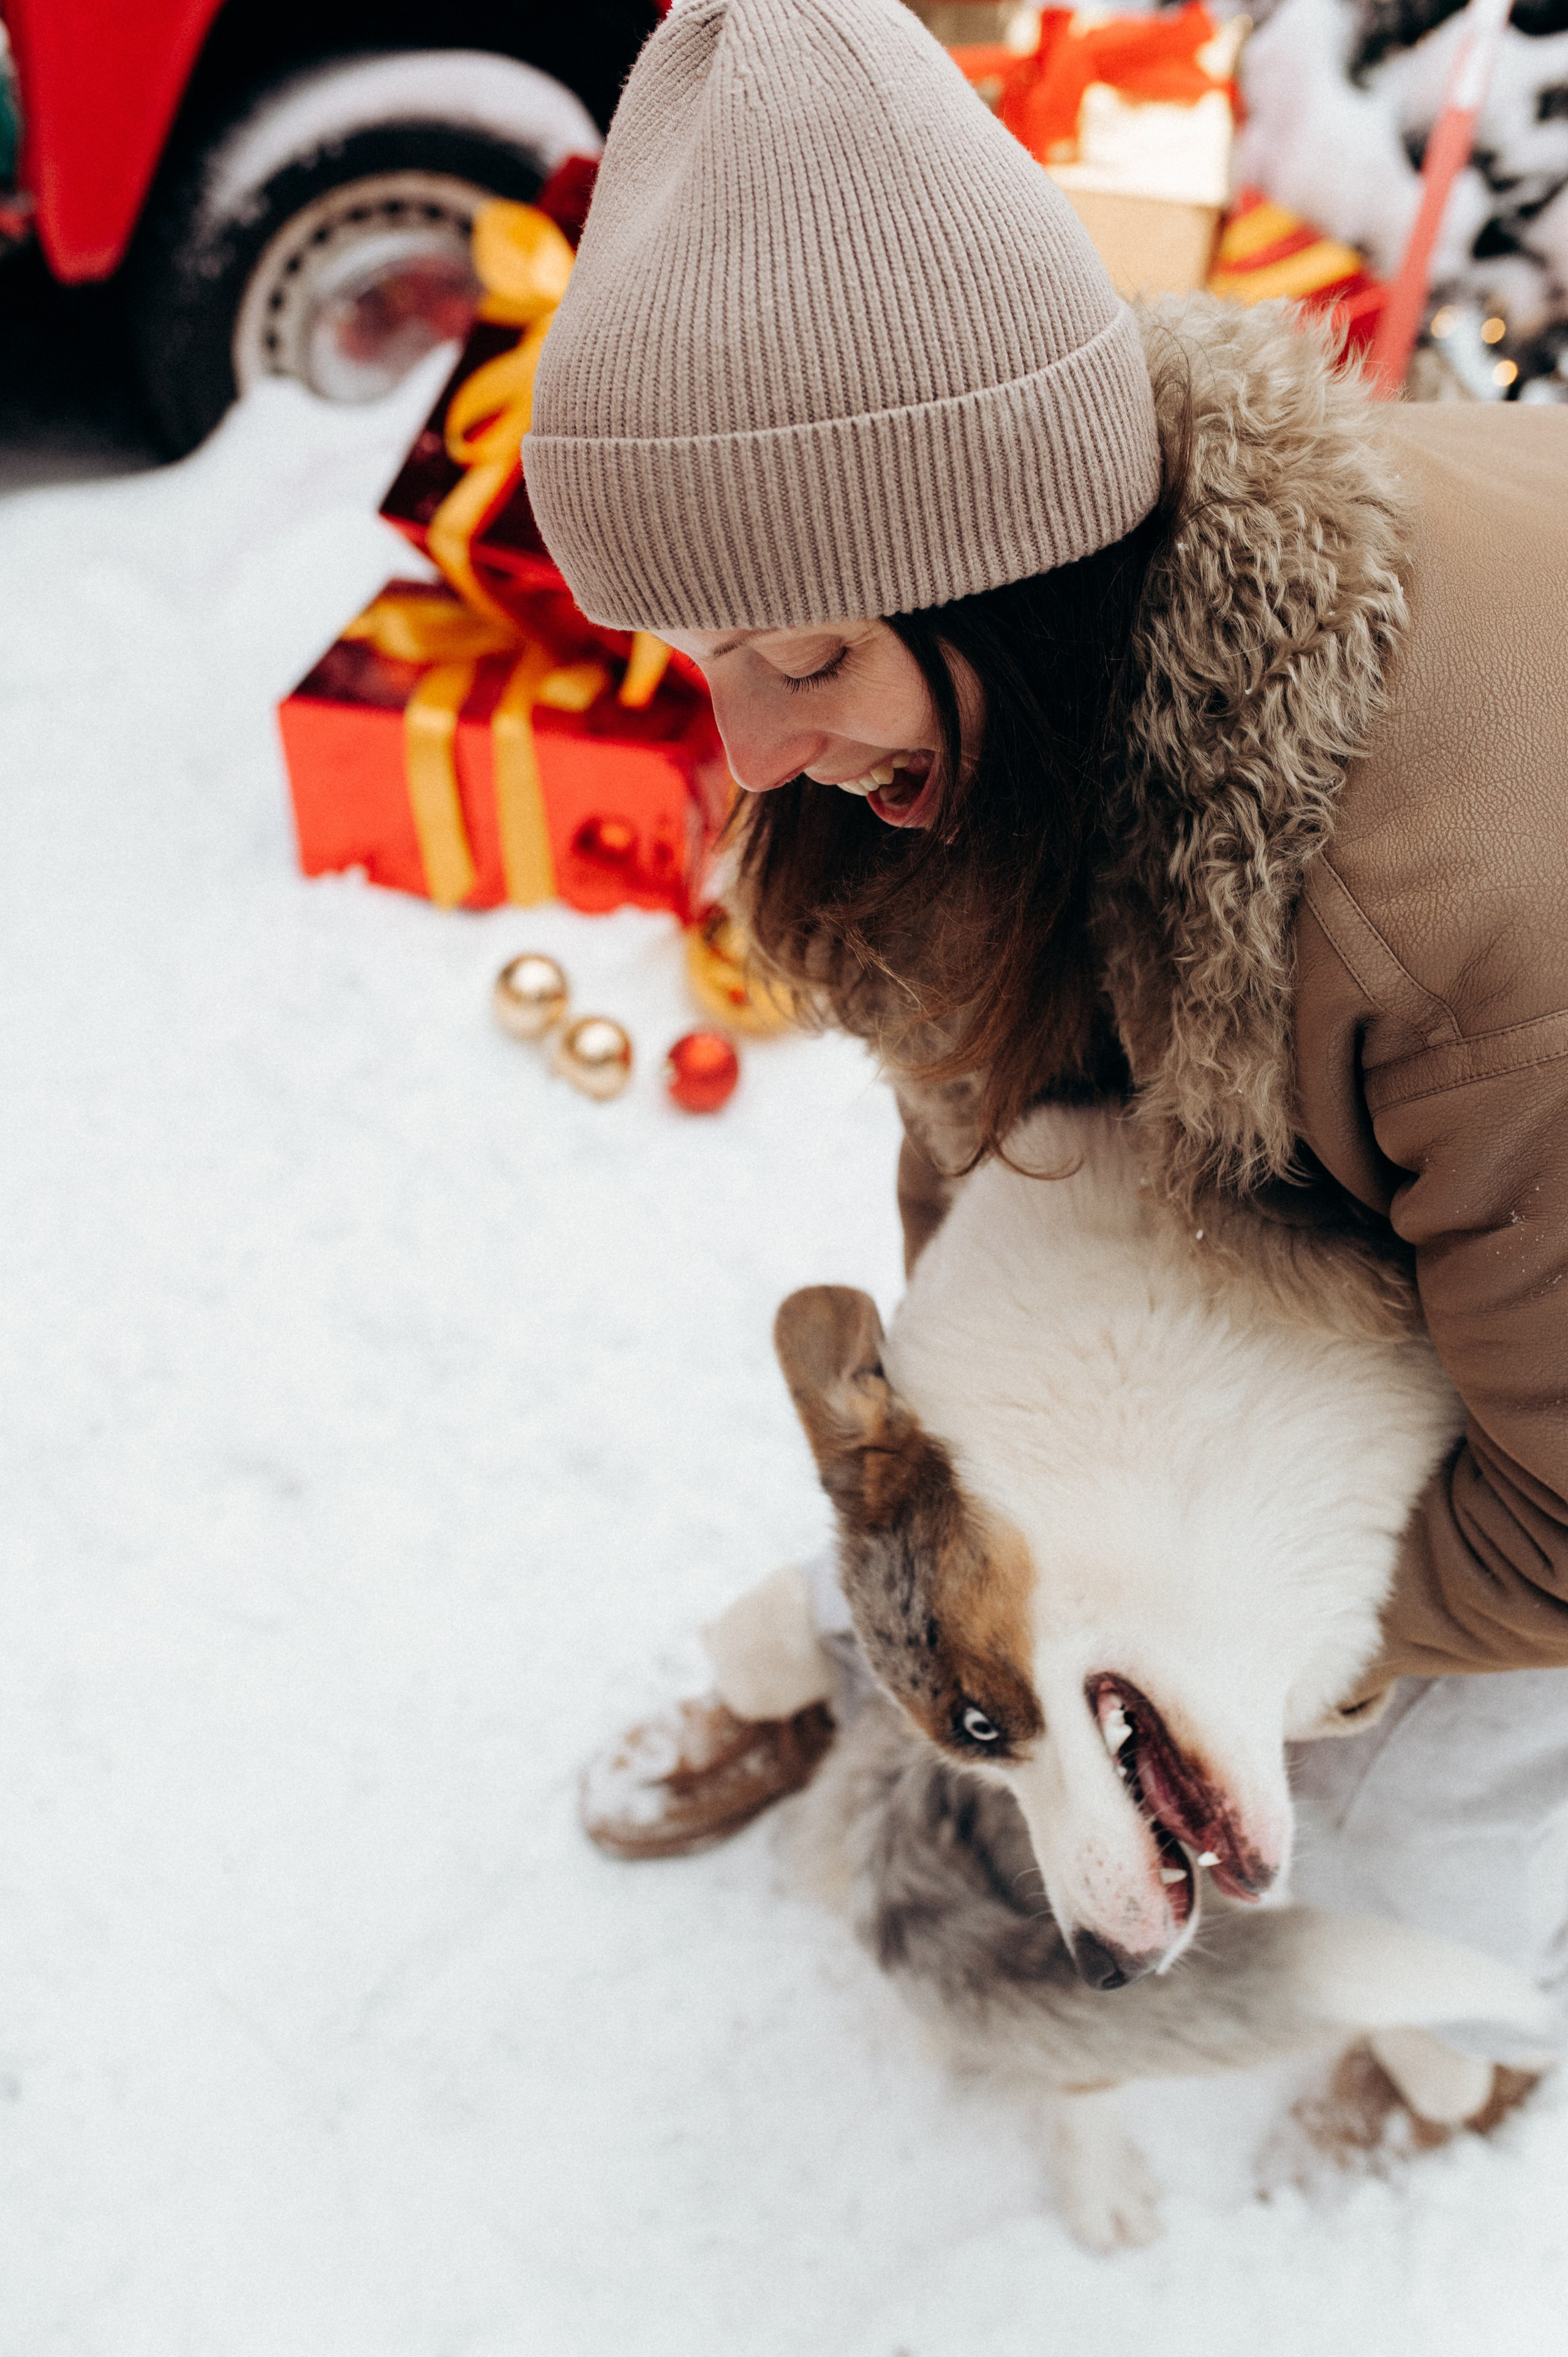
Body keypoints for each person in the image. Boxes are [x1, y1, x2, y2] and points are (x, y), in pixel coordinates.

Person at [525, 0, 1568, 2103]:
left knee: (1450, 1755)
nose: (750, 750)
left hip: (1511, 1213)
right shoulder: (971, 732)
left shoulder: (1468, 918)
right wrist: (971, 1548)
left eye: (801, 658)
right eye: (706, 666)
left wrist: (1239, 1658)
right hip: (1329, 1150)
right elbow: (1007, 1185)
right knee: (1034, 1549)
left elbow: (1561, 1525)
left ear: (1003, 572)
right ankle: (865, 1677)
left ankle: (1464, 2051)